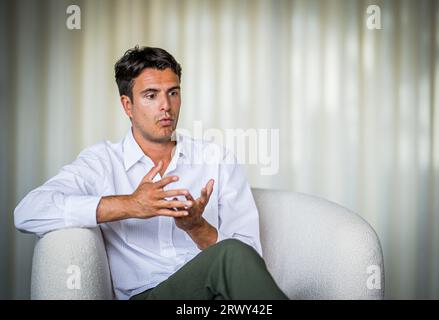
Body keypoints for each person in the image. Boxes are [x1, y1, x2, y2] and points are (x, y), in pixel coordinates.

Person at [14, 46, 288, 300]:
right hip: (148, 295)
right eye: (151, 95)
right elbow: (28, 211)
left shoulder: (216, 159)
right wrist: (129, 204)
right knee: (230, 255)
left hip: (212, 298)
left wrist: (198, 228)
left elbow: (249, 257)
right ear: (127, 106)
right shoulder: (102, 162)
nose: (166, 106)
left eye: (173, 92)